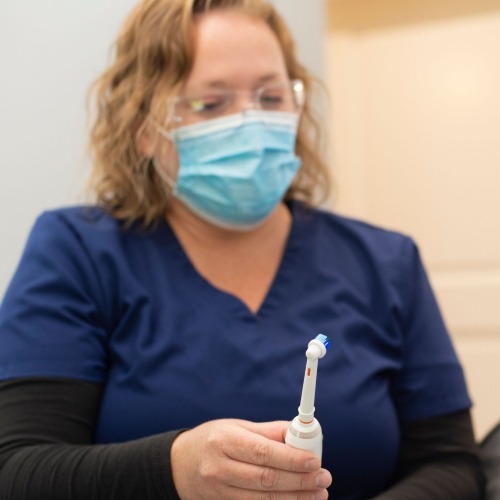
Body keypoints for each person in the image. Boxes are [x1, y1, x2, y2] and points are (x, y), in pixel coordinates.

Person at [0, 0, 486, 498]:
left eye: (271, 97)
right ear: (145, 129)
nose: (251, 124)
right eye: (211, 105)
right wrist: (174, 468)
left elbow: (450, 463)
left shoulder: (386, 261)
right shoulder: (78, 252)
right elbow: (18, 470)